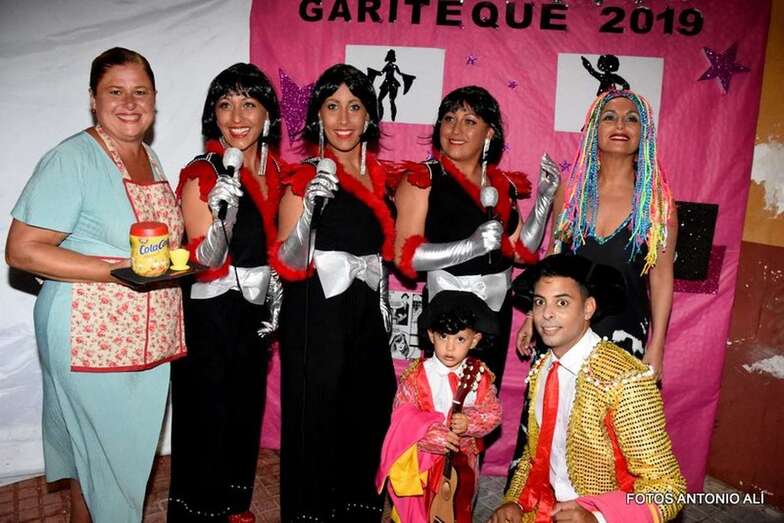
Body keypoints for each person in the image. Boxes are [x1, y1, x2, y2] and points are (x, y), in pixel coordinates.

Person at [5, 47, 184, 522]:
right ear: (92, 98)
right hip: (90, 335)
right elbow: (22, 250)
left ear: (155, 98)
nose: (129, 103)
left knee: (102, 463)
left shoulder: (148, 157)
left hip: (145, 336)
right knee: (111, 466)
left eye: (140, 92)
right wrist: (115, 270)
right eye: (115, 92)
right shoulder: (73, 158)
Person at [273, 63, 397, 522]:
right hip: (315, 313)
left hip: (364, 313)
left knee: (368, 410)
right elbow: (287, 261)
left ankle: (356, 512)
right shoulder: (302, 178)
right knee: (316, 418)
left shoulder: (380, 177)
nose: (343, 119)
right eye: (332, 106)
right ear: (317, 116)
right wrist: (308, 209)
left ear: (369, 117)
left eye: (354, 106)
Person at [167, 63, 284, 523]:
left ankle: (234, 506)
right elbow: (204, 259)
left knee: (244, 411)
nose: (237, 116)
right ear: (212, 114)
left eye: (249, 104)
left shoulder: (278, 172)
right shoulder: (203, 171)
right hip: (210, 312)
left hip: (256, 312)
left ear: (267, 114)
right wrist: (225, 215)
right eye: (225, 104)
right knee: (206, 416)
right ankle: (199, 512)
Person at [490, 254, 685, 523]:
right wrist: (515, 501)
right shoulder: (543, 368)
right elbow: (535, 456)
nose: (546, 314)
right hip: (544, 509)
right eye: (540, 302)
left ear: (588, 308)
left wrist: (599, 518)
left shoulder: (625, 379)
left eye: (562, 302)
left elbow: (669, 490)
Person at [393, 85, 560, 385]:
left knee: (484, 398)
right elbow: (406, 257)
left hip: (495, 311)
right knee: (444, 399)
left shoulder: (502, 184)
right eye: (449, 118)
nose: (456, 129)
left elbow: (521, 251)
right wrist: (470, 246)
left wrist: (543, 202)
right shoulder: (422, 179)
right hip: (447, 311)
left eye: (469, 121)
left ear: (489, 133)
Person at [517, 89, 677, 378]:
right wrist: (533, 314)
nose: (620, 125)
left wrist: (657, 346)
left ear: (644, 133)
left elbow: (662, 278)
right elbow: (554, 260)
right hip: (560, 331)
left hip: (622, 337)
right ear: (594, 130)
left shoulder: (655, 202)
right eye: (609, 117)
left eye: (631, 119)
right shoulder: (570, 192)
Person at [377, 290, 502, 523]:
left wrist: (470, 422)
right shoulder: (416, 376)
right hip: (423, 462)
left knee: (457, 509)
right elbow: (401, 415)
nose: (450, 347)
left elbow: (493, 413)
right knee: (418, 512)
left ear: (475, 340)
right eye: (443, 337)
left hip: (463, 464)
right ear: (431, 335)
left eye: (460, 339)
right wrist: (430, 434)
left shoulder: (479, 376)